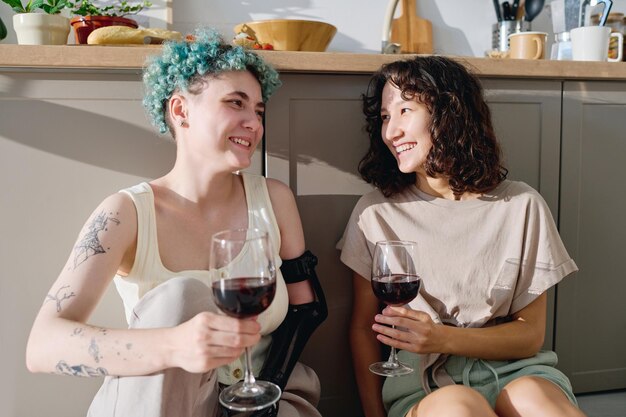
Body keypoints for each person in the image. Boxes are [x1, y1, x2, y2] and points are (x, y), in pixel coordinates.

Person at [26, 29, 326, 417]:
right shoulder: (124, 214)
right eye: (236, 103)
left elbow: (308, 309)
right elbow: (43, 346)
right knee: (182, 297)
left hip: (268, 394)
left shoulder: (274, 201)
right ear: (180, 110)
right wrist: (174, 344)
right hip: (163, 402)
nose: (254, 122)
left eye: (259, 111)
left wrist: (263, 391)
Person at [337, 56, 586, 417]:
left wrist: (442, 337)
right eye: (385, 117)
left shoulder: (521, 205)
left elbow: (530, 334)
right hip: (422, 383)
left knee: (536, 399)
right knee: (460, 407)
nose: (391, 132)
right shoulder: (375, 213)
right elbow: (363, 328)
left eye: (405, 110)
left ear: (449, 113)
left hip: (516, 369)